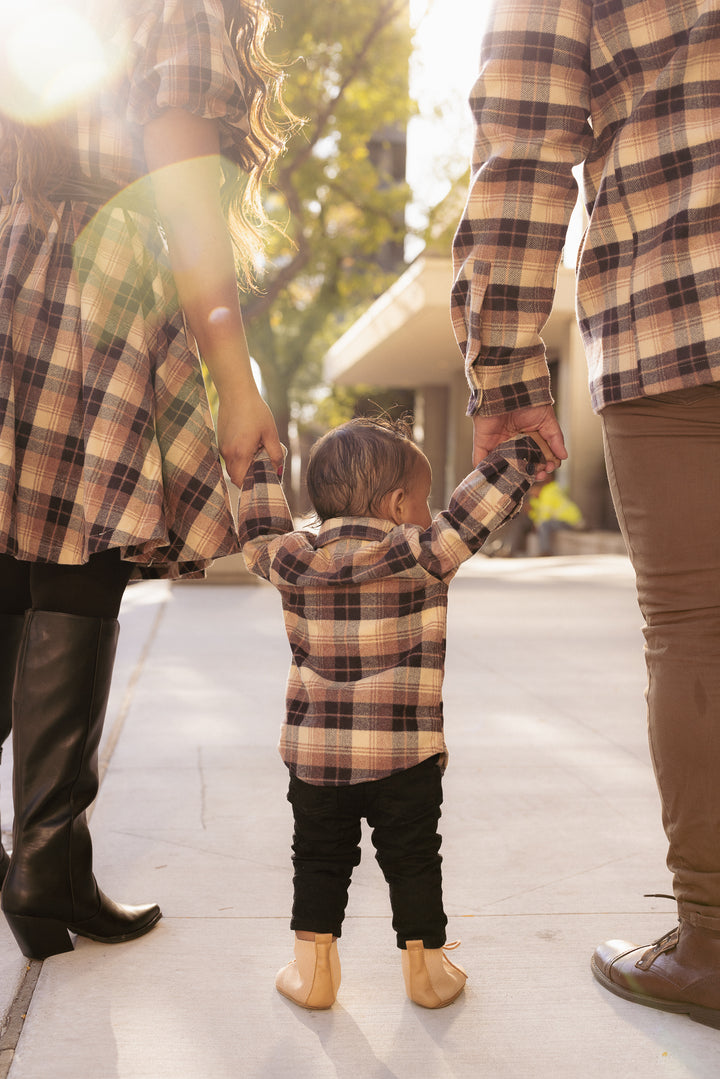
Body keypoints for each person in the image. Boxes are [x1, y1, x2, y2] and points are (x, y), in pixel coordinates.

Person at [451, 0, 720, 1029]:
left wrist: (507, 370)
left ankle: (713, 942)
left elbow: (524, 144)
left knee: (700, 630)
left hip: (684, 299)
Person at [0, 0, 285, 960]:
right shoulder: (177, 9)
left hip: (10, 266)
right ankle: (44, 856)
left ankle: (53, 855)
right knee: (80, 558)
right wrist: (237, 383)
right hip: (98, 273)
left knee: (13, 556)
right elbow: (185, 196)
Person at [237, 416, 559, 1009]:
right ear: (396, 502)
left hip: (317, 761)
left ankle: (313, 975)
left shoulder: (290, 560)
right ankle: (427, 974)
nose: (430, 511)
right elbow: (474, 512)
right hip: (405, 759)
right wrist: (521, 450)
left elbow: (257, 531)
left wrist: (261, 463)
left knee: (317, 860)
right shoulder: (422, 554)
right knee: (414, 862)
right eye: (424, 499)